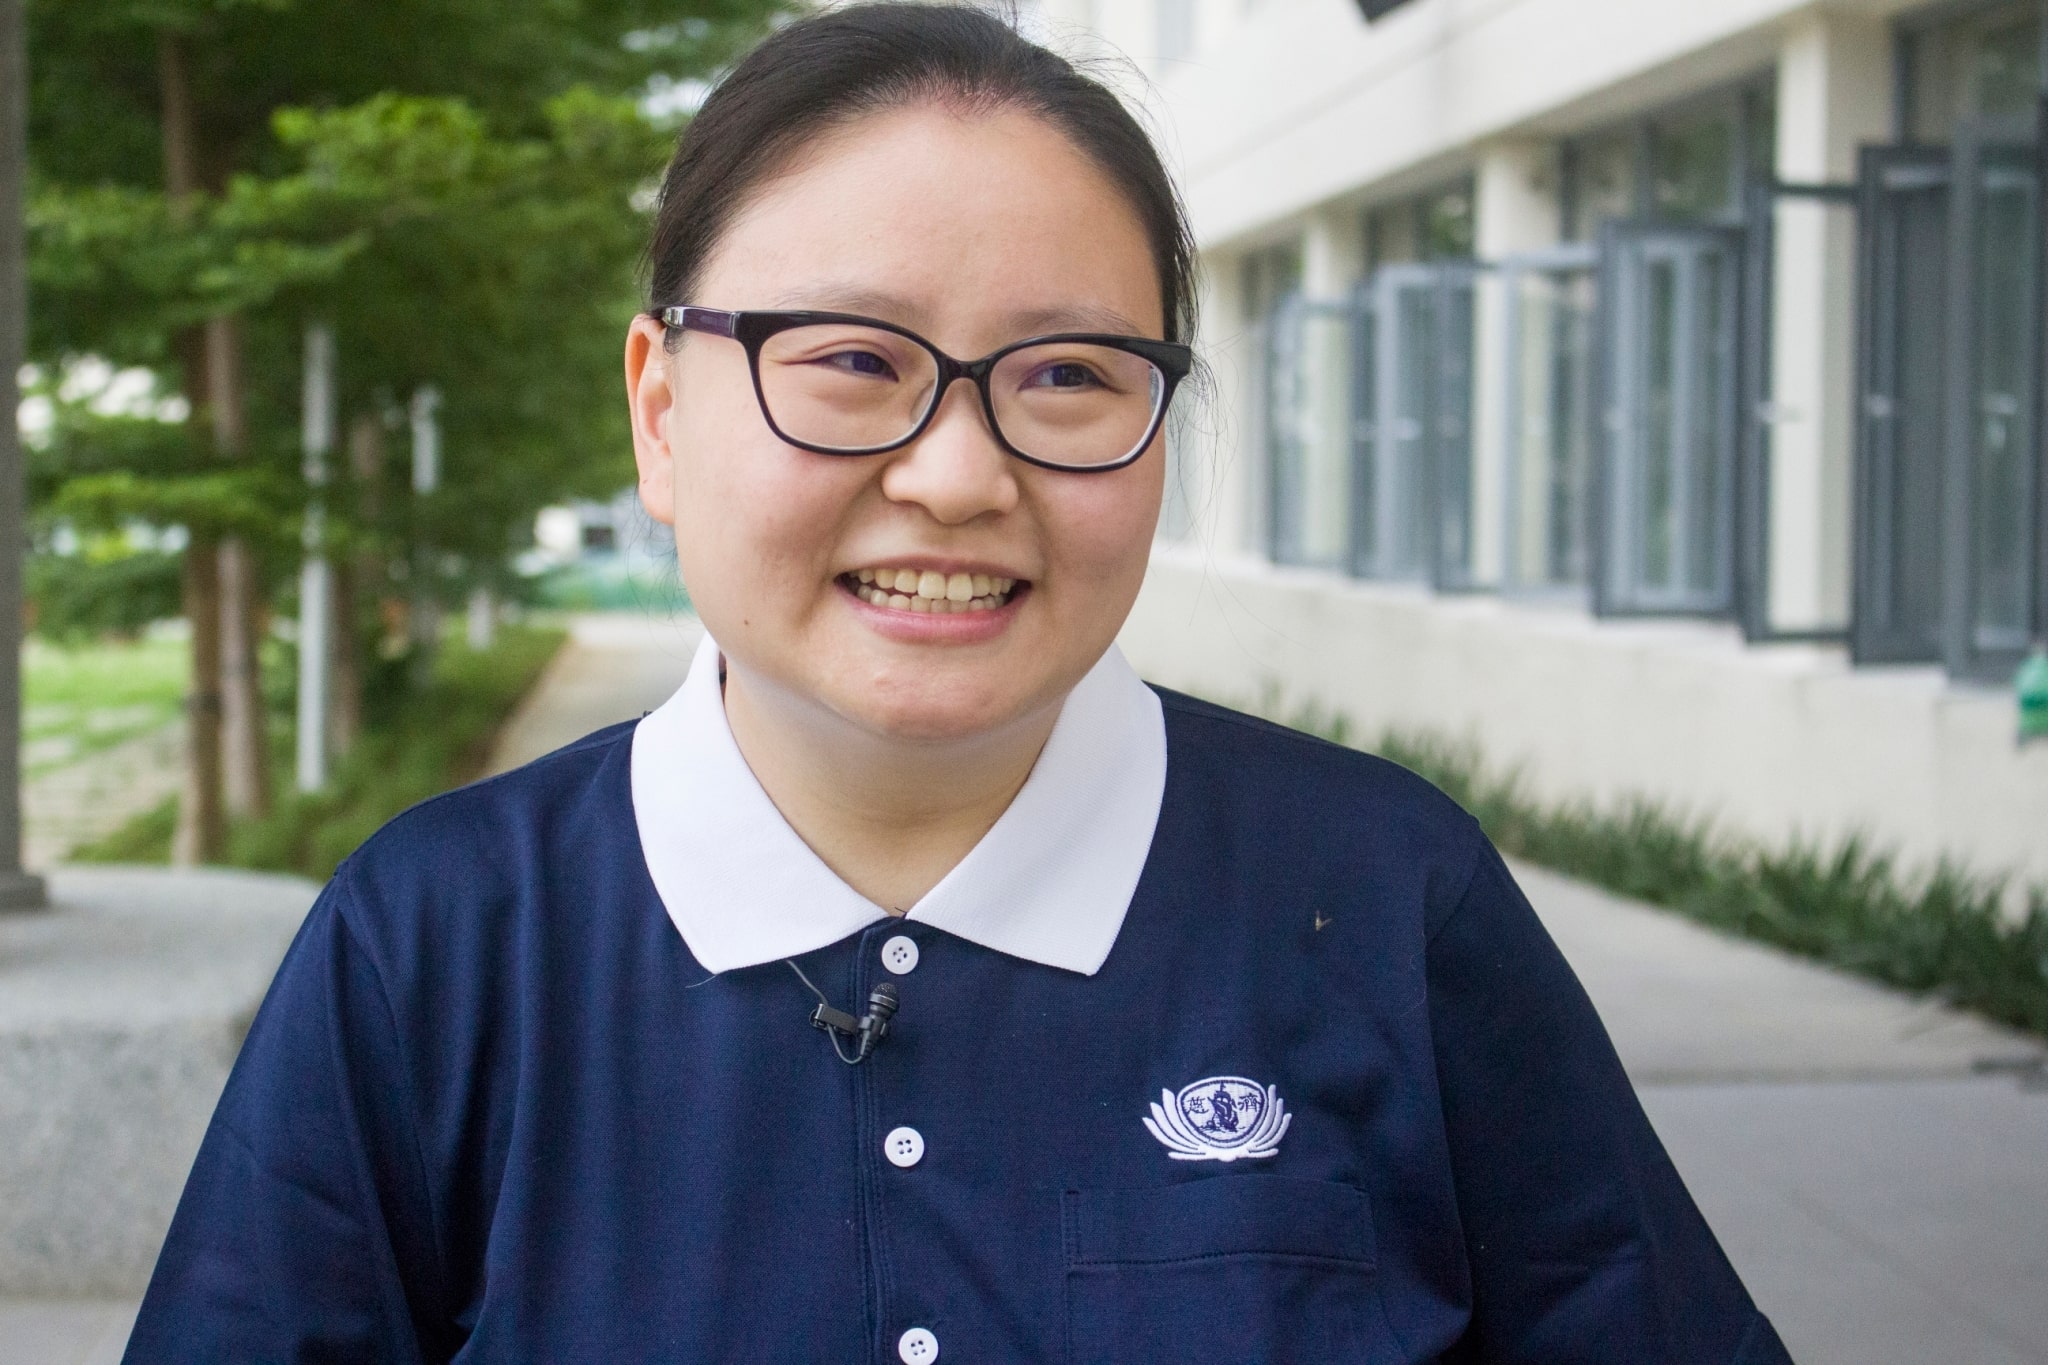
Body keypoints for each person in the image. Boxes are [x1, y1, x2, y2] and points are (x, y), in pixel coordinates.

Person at [125, 6, 1794, 1362]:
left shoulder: (1383, 899)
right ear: (659, 408)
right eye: (853, 359)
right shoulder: (435, 943)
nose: (956, 471)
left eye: (1067, 374)